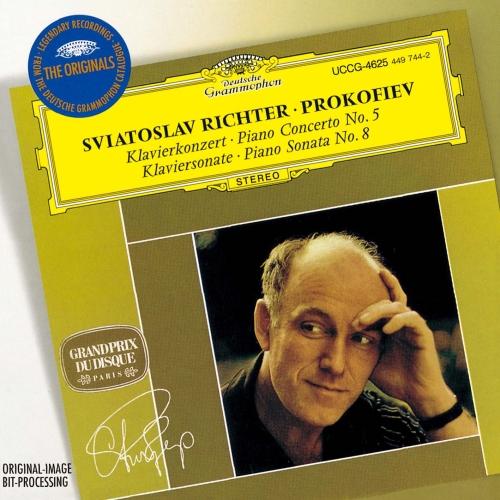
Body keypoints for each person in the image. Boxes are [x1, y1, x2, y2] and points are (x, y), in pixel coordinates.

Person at [221, 232, 477, 476]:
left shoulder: (389, 429)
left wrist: (431, 398)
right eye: (312, 328)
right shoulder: (208, 437)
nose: (336, 364)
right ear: (265, 324)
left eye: (362, 339)